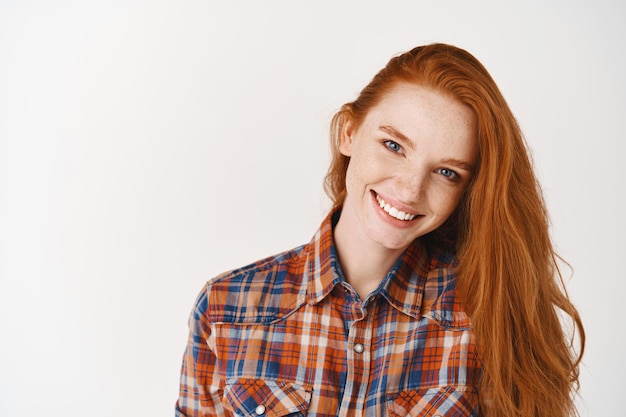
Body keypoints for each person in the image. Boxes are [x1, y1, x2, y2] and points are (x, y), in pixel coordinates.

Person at [175, 43, 585, 417]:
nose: (410, 188)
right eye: (394, 145)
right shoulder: (226, 308)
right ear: (349, 133)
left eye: (446, 172)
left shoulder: (489, 315)